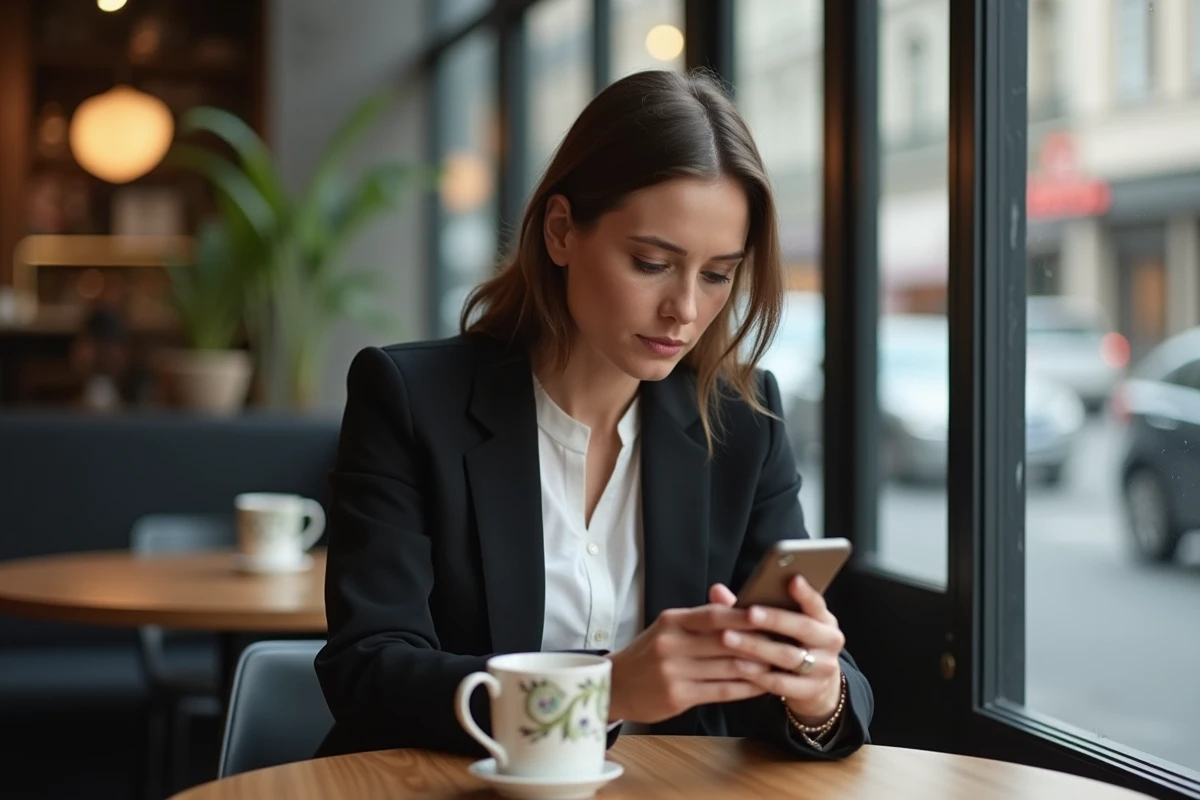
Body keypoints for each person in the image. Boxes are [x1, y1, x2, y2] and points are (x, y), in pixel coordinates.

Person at [314, 69, 873, 761]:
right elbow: (368, 671)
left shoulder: (743, 424)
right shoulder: (410, 398)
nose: (686, 310)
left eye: (718, 274)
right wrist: (604, 692)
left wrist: (815, 690)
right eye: (651, 262)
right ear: (560, 232)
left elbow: (828, 683)